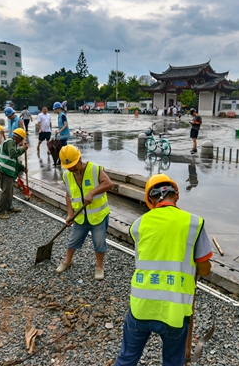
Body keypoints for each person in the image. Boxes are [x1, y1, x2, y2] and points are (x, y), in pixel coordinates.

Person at [114, 174, 212, 366]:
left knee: (126, 358)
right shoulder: (194, 223)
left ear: (150, 200)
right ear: (176, 196)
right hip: (174, 312)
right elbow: (205, 270)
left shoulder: (138, 226)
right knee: (172, 361)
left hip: (140, 308)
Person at [55, 145, 113, 280]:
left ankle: (99, 266)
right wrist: (69, 214)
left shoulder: (94, 169)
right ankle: (67, 261)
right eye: (68, 167)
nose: (72, 169)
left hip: (98, 216)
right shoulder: (67, 175)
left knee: (99, 242)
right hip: (80, 217)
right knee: (73, 240)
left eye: (74, 166)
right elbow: (69, 195)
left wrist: (92, 192)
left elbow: (108, 184)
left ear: (80, 158)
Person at [0, 128, 28, 219]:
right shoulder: (10, 142)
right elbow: (12, 154)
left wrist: (23, 168)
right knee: (6, 191)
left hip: (6, 170)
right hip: (3, 170)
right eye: (22, 139)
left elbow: (15, 160)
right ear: (19, 138)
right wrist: (23, 149)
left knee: (10, 190)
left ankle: (9, 207)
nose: (22, 142)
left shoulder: (12, 144)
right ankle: (0, 212)